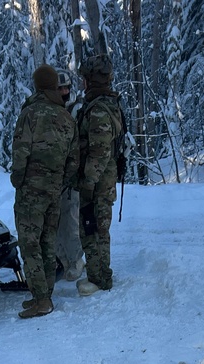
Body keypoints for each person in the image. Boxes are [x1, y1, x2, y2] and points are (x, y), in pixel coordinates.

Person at [10, 64, 78, 320]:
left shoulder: (30, 113)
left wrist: (18, 179)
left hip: (31, 190)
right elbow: (74, 159)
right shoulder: (66, 117)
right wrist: (59, 181)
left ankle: (41, 299)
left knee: (29, 243)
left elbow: (20, 151)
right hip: (54, 191)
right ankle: (44, 295)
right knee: (48, 241)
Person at [75, 52, 126, 296]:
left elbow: (99, 152)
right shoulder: (107, 104)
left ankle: (99, 278)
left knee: (92, 228)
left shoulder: (98, 110)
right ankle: (100, 274)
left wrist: (87, 182)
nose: (82, 83)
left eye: (85, 78)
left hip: (97, 181)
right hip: (103, 179)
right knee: (97, 227)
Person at [54, 70, 84, 282]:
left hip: (71, 175)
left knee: (71, 220)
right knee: (55, 221)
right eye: (60, 88)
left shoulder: (75, 110)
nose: (64, 92)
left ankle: (76, 261)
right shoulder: (52, 111)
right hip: (55, 175)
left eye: (66, 88)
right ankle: (63, 262)